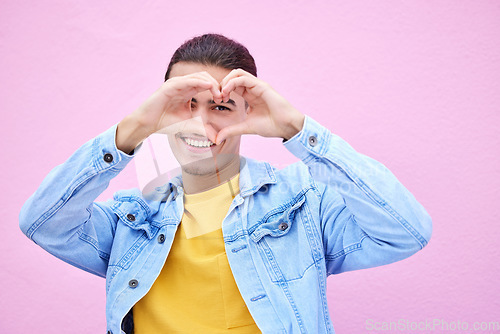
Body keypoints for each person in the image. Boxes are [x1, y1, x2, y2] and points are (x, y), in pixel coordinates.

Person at [19, 33, 432, 334]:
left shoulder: (303, 203)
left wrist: (297, 130)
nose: (200, 121)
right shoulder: (131, 217)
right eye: (185, 104)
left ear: (246, 113)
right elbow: (42, 222)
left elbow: (406, 232)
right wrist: (132, 130)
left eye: (220, 106)